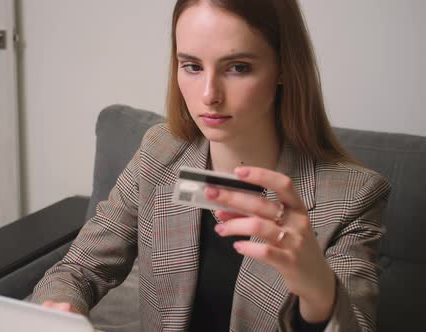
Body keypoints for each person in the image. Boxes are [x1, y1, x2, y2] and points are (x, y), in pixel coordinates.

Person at [32, 0, 391, 331]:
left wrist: (319, 292)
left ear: (284, 67)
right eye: (191, 66)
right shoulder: (160, 152)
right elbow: (78, 270)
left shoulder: (352, 194)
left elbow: (355, 322)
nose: (209, 95)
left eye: (237, 67)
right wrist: (60, 310)